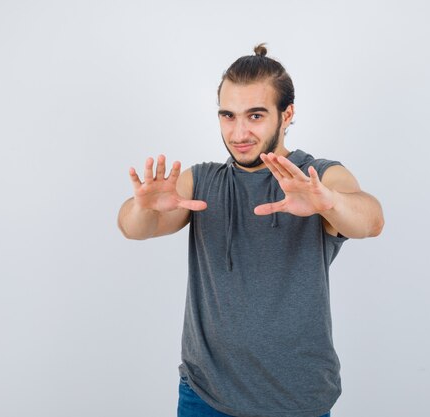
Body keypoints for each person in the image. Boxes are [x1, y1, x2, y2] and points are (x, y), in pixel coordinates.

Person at [118, 44, 384, 417]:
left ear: (286, 114)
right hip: (204, 395)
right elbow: (134, 228)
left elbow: (371, 219)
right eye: (228, 115)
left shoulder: (317, 177)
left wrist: (329, 203)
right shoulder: (201, 181)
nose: (238, 131)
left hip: (298, 399)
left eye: (255, 115)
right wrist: (144, 207)